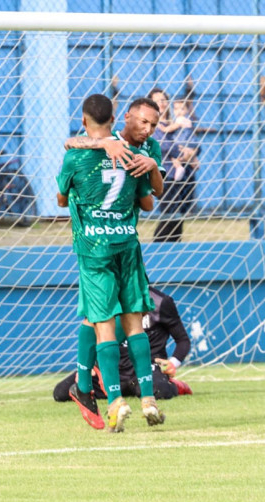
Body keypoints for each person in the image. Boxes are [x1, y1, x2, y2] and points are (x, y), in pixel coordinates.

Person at [57, 94, 166, 433]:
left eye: (154, 125)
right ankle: (94, 388)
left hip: (99, 247)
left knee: (102, 320)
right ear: (124, 118)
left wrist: (152, 167)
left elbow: (152, 198)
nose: (148, 129)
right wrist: (105, 144)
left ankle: (109, 396)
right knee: (120, 321)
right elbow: (73, 140)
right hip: (123, 243)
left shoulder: (146, 151)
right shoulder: (120, 147)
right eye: (143, 122)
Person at [54, 285, 193, 410]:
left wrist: (173, 363)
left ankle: (176, 385)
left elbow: (183, 340)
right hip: (113, 371)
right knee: (62, 392)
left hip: (146, 368)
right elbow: (95, 337)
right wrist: (87, 367)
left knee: (160, 391)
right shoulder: (105, 302)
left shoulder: (160, 302)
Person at [154, 97, 200, 242]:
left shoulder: (176, 123)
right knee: (170, 213)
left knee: (180, 214)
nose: (161, 103)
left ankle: (175, 245)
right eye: (157, 101)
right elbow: (164, 148)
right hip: (167, 175)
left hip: (184, 174)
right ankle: (158, 244)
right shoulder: (153, 127)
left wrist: (191, 154)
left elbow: (196, 145)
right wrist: (183, 155)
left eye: (163, 100)